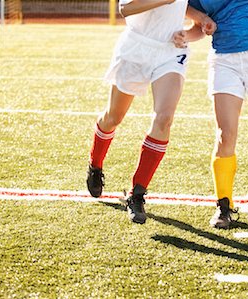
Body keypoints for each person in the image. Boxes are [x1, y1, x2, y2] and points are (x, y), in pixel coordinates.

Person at [86, 0, 216, 224]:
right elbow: (126, 8)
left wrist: (200, 21)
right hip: (136, 46)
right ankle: (95, 164)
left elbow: (183, 6)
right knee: (113, 117)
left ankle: (137, 194)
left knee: (164, 119)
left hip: (170, 52)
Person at [183, 0, 248, 229]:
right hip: (224, 60)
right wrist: (194, 25)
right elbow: (194, 25)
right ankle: (224, 205)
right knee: (225, 135)